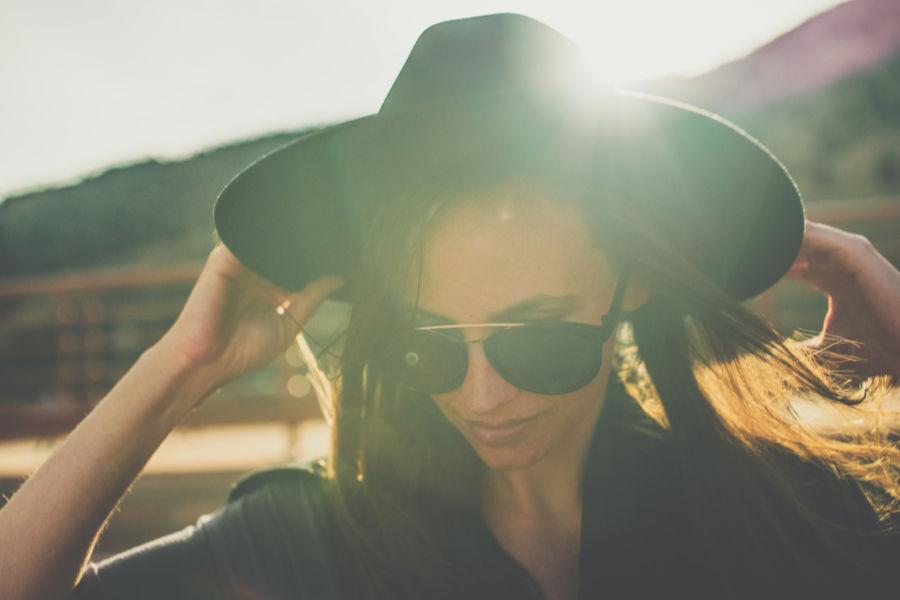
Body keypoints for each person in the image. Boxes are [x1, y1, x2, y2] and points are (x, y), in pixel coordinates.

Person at [1, 13, 899, 600]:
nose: (478, 397)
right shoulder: (314, 539)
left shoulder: (768, 505)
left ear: (632, 284)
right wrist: (178, 367)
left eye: (537, 340)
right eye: (424, 346)